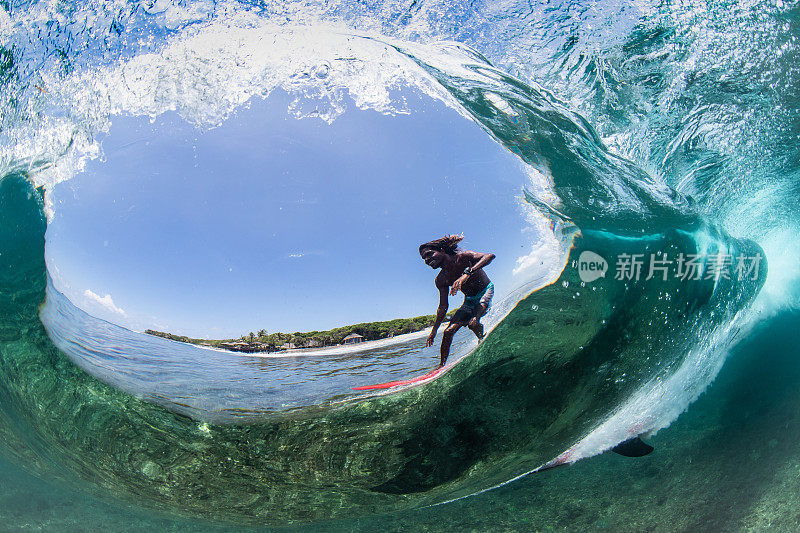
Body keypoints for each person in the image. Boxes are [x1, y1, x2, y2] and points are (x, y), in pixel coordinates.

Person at [419, 234, 495, 368]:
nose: (427, 259)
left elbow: (489, 256)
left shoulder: (464, 257)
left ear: (441, 250)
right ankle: (441, 366)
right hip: (469, 301)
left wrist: (467, 273)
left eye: (429, 254)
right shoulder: (441, 279)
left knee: (473, 323)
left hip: (485, 290)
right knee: (448, 332)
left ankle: (482, 339)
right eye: (424, 258)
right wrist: (434, 330)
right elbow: (443, 307)